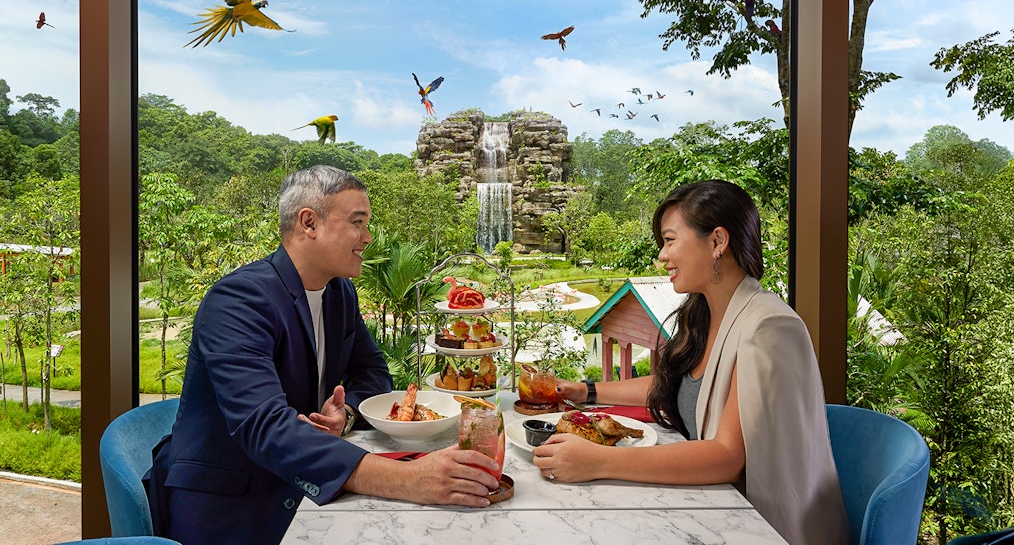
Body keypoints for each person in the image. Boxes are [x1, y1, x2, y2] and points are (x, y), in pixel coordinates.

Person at [146, 165, 499, 544]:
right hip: (231, 508)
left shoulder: (338, 293)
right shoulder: (239, 301)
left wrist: (346, 415)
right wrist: (408, 479)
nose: (367, 237)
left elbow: (372, 371)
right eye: (357, 222)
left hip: (305, 486)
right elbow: (264, 426)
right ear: (309, 223)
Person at [535, 180, 849, 545]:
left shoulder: (770, 327)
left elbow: (727, 457)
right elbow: (675, 386)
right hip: (716, 509)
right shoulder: (706, 313)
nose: (662, 256)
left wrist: (597, 462)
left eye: (670, 240)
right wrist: (585, 391)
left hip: (769, 527)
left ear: (718, 241)